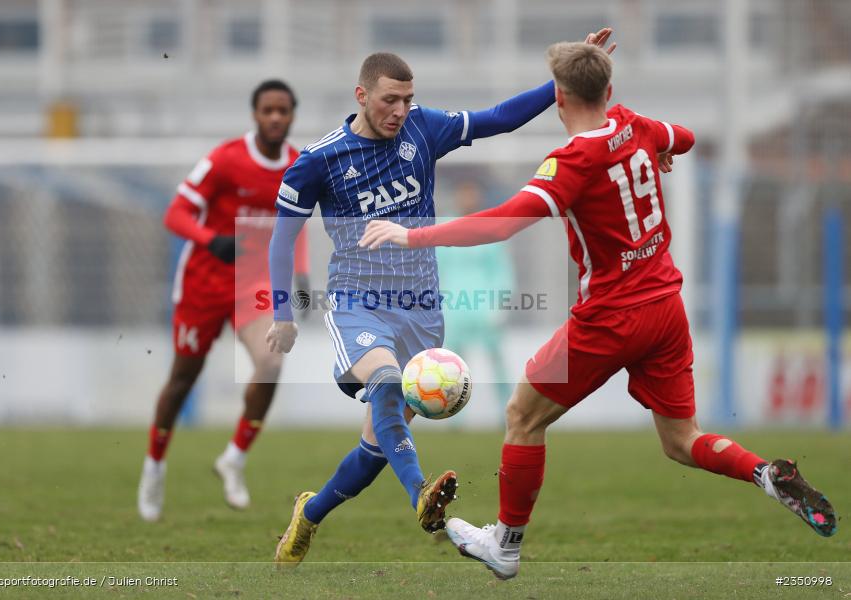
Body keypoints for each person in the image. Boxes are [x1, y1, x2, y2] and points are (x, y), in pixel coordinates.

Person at [359, 42, 837, 580]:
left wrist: (411, 234)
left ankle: (506, 546)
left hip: (611, 316)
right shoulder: (636, 125)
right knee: (682, 440)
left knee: (522, 416)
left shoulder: (572, 163)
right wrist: (659, 151)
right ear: (609, 92)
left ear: (558, 97)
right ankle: (765, 474)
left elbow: (501, 223)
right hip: (666, 309)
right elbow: (687, 136)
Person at [267, 29, 617, 566]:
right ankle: (423, 500)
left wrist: (563, 86)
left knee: (376, 448)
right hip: (357, 302)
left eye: (408, 99)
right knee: (385, 384)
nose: (401, 110)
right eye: (390, 100)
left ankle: (308, 516)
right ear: (361, 96)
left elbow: (498, 118)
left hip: (422, 310)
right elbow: (281, 237)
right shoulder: (319, 160)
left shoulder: (424, 129)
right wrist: (283, 312)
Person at [137, 80, 310, 522]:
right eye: (267, 110)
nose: (275, 117)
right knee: (182, 380)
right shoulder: (226, 159)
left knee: (271, 363)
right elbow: (174, 213)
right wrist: (210, 239)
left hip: (253, 289)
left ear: (292, 116)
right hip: (204, 284)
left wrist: (302, 275)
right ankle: (154, 466)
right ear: (255, 114)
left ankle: (233, 458)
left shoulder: (299, 166)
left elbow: (295, 228)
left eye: (283, 110)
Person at [437, 180, 515, 419]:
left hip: (484, 307)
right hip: (453, 307)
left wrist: (500, 304)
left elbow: (502, 270)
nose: (468, 199)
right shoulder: (443, 226)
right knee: (452, 367)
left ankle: (507, 413)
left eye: (472, 194)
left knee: (497, 362)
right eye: (464, 194)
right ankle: (454, 417)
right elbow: (434, 268)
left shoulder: (489, 228)